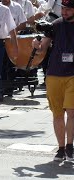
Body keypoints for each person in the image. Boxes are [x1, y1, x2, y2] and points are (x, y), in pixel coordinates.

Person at [32, 0, 74, 162]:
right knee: (57, 114)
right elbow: (42, 47)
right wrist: (36, 44)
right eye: (63, 9)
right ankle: (61, 148)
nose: (64, 12)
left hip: (72, 75)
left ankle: (70, 146)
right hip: (54, 73)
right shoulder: (55, 25)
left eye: (68, 10)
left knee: (71, 112)